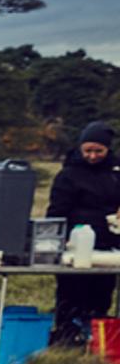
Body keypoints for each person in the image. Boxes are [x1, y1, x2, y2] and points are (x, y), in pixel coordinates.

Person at [46, 121, 119, 345]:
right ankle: (68, 337)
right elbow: (56, 212)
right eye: (88, 150)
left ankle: (98, 338)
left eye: (99, 151)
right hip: (74, 246)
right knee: (72, 293)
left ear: (108, 149)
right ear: (80, 148)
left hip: (109, 246)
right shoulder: (68, 175)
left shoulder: (117, 173)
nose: (93, 155)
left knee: (102, 293)